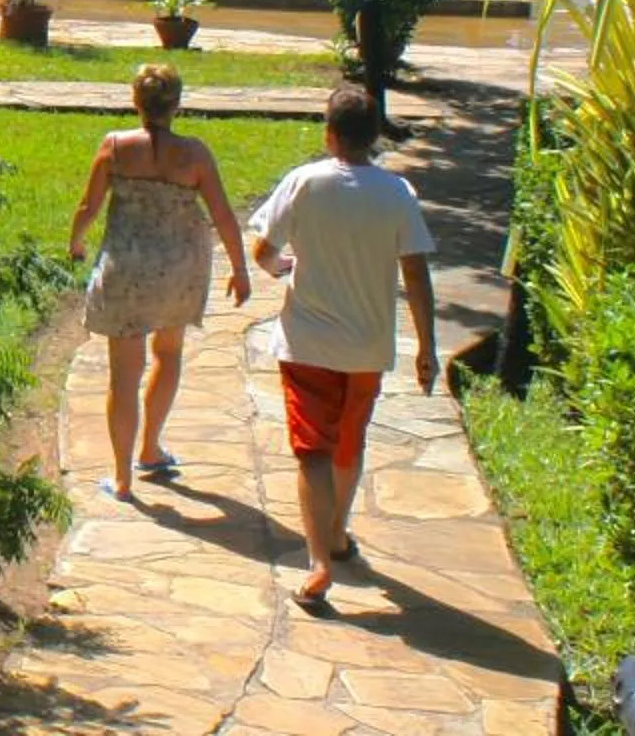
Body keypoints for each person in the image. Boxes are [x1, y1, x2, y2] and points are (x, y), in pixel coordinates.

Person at [248, 84, 439, 610]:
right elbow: (416, 272)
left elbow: (263, 248)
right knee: (349, 442)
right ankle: (336, 533)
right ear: (375, 137)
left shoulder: (305, 182)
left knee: (312, 450)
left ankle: (318, 564)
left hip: (307, 341)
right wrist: (427, 345)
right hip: (367, 347)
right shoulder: (397, 193)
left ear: (329, 134)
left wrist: (279, 268)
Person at [66, 63, 252, 500]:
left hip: (127, 268)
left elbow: (88, 207)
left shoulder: (115, 147)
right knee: (168, 354)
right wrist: (240, 269)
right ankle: (150, 448)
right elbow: (223, 215)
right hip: (180, 268)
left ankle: (122, 478)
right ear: (177, 105)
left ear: (136, 102)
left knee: (123, 376)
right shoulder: (195, 154)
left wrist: (76, 242)